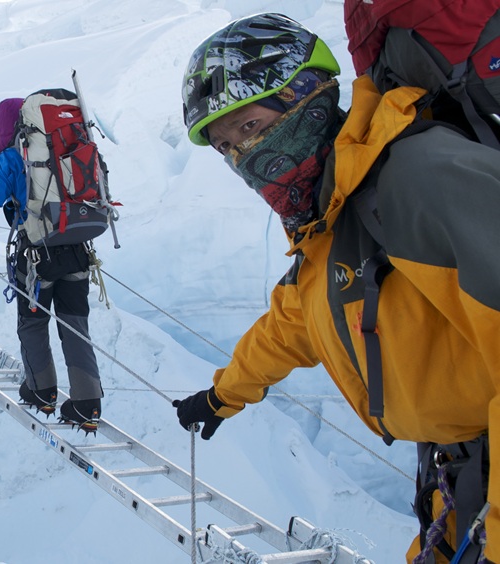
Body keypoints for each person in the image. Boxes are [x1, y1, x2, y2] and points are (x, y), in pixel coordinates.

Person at [171, 12, 500, 563]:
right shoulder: (330, 218)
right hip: (459, 481)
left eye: (248, 128)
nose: (243, 157)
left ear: (307, 95)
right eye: (225, 147)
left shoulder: (419, 179)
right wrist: (222, 395)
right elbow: (292, 324)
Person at [0, 98, 104, 432]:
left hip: (38, 257)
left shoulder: (10, 159)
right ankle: (88, 404)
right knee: (75, 326)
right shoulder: (63, 149)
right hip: (78, 247)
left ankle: (42, 390)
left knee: (33, 324)